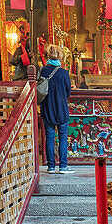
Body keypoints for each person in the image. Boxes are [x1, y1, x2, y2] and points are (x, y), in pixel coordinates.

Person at [39, 45, 73, 174]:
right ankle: (63, 166)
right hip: (61, 109)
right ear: (60, 56)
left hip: (47, 109)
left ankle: (51, 167)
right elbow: (68, 92)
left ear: (47, 55)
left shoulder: (42, 71)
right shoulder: (63, 72)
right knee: (63, 137)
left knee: (49, 137)